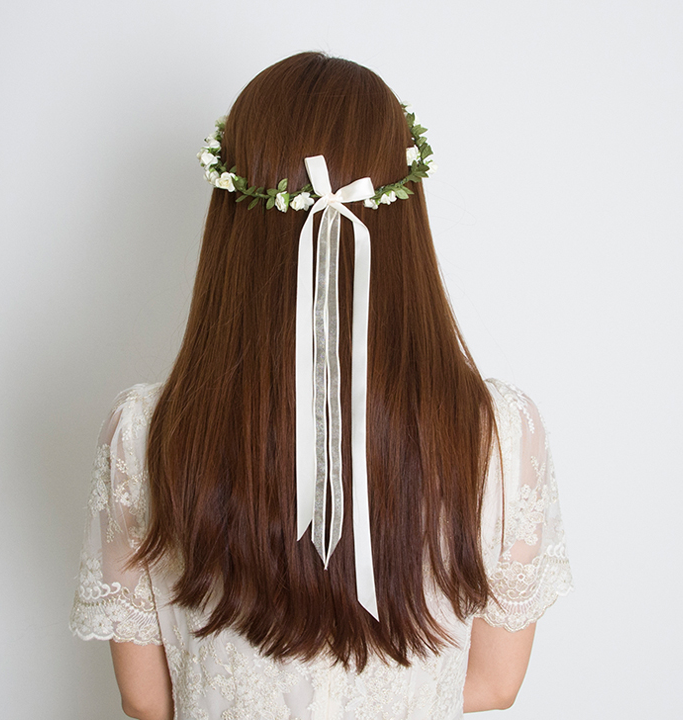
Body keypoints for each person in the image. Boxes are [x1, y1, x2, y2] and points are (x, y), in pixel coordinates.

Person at [70, 52, 572, 720]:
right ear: (404, 212)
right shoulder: (501, 432)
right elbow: (495, 683)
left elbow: (146, 698)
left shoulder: (143, 428)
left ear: (231, 215)